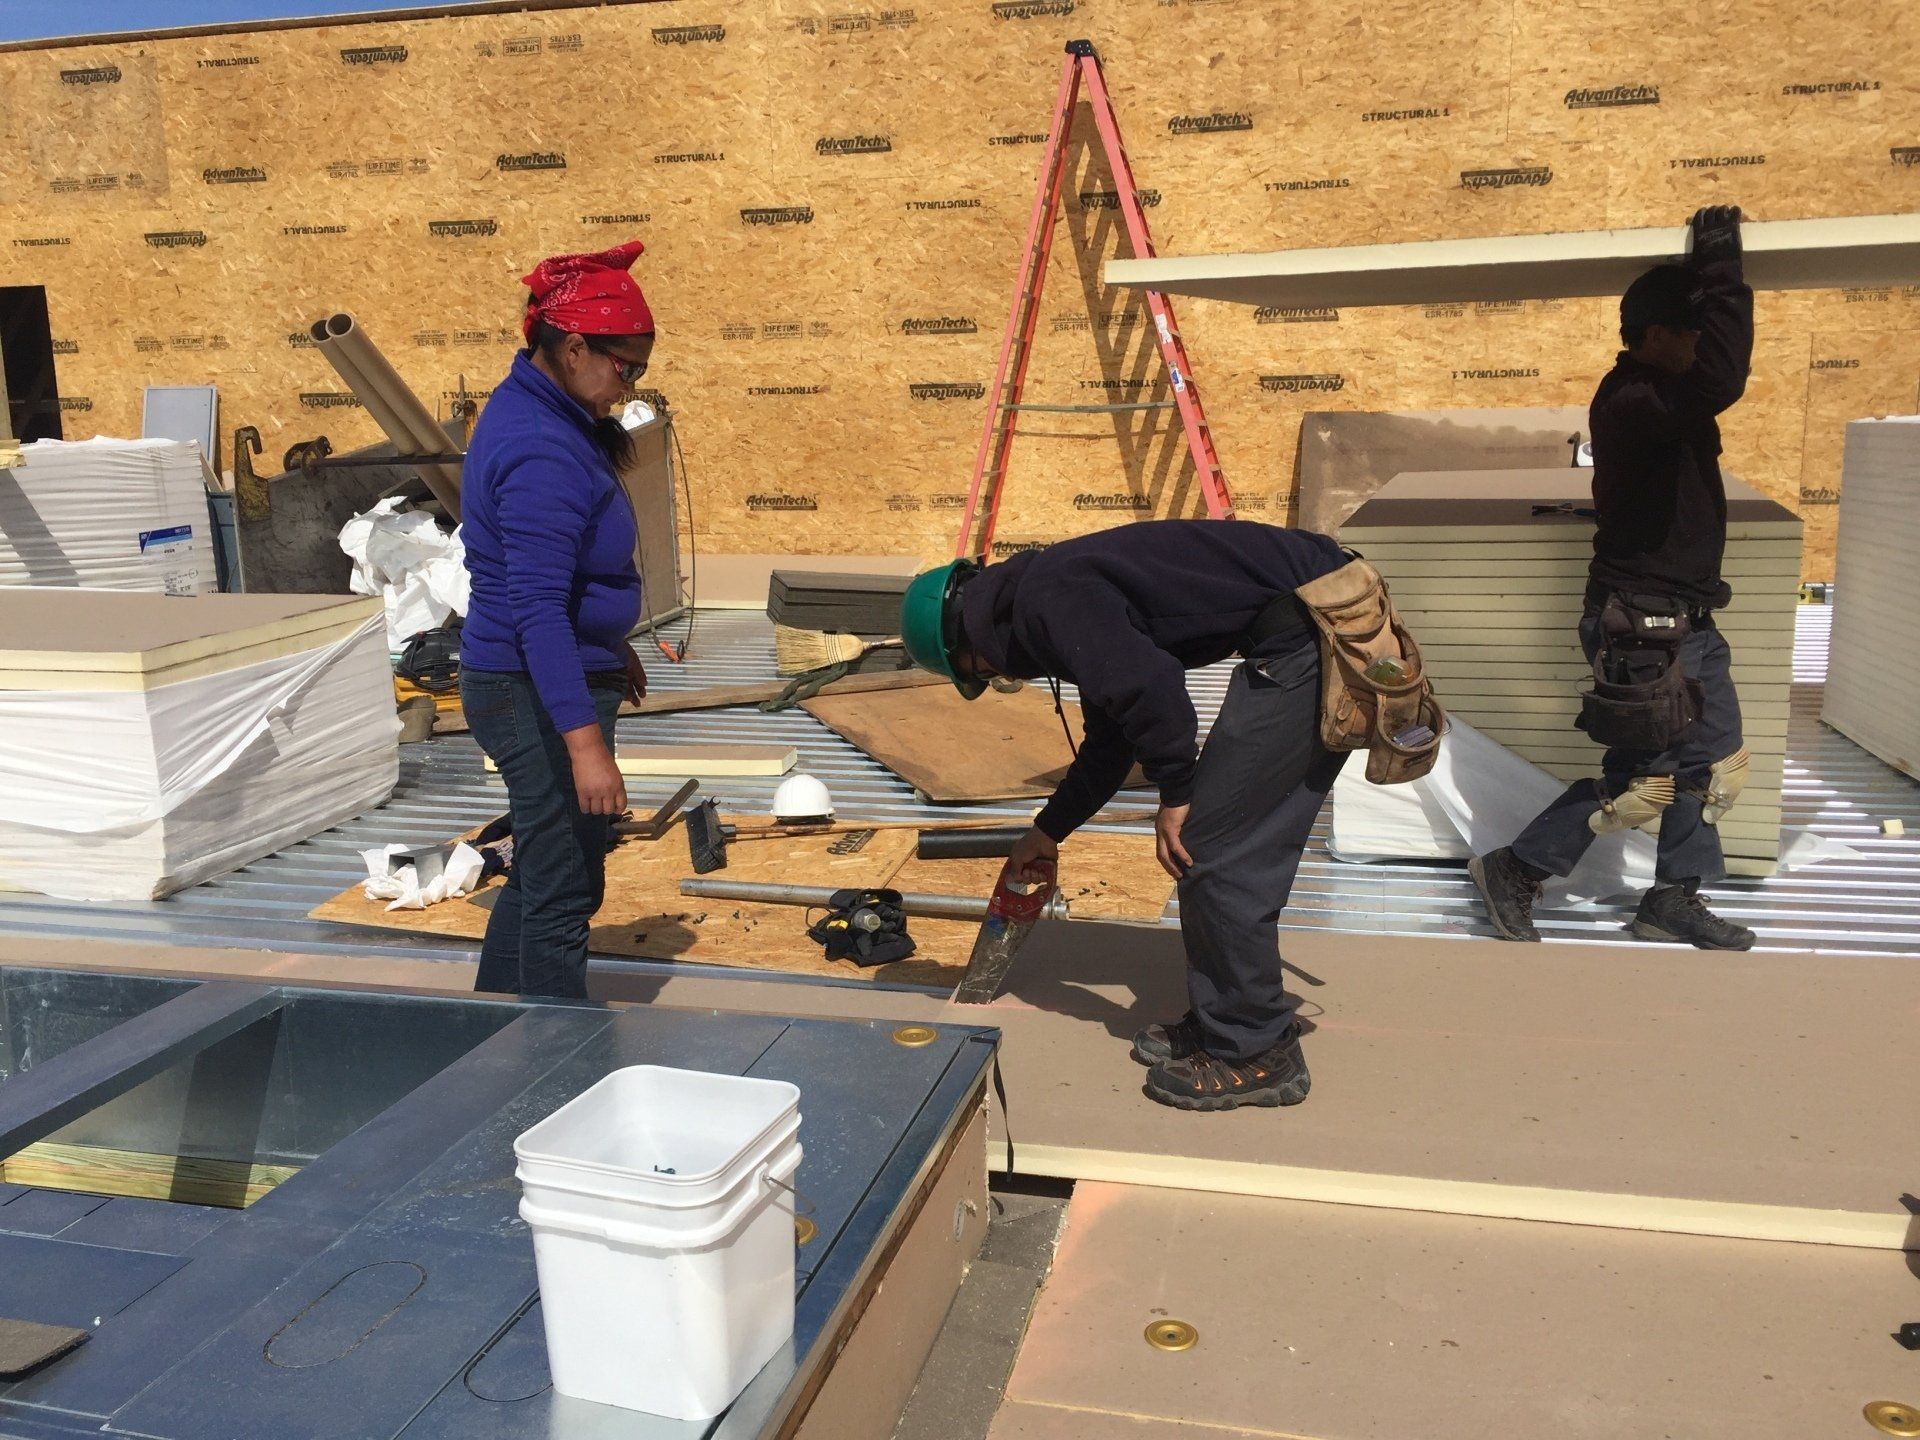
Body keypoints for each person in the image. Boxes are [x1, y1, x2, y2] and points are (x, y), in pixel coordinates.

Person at [900, 520, 1354, 1112]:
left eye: (979, 669)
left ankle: (1254, 1048)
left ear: (973, 636)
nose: (1000, 676)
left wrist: (1176, 795)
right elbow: (1112, 741)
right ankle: (1227, 1017)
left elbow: (1152, 687)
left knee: (1212, 849)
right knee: (1209, 844)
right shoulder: (1049, 595)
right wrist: (1047, 831)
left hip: (1316, 633)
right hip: (1303, 625)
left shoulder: (1051, 602)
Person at [1471, 205, 1756, 951]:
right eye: (1688, 331)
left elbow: (1710, 378)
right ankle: (1515, 868)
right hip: (1643, 622)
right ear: (1654, 336)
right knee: (1642, 781)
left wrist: (1699, 280)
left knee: (1712, 766)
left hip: (1689, 619)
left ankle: (1672, 898)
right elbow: (1725, 377)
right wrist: (1722, 270)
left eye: (1699, 330)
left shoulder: (1667, 393)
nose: (1699, 344)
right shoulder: (1636, 399)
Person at [459, 241, 657, 999]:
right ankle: (548, 1062)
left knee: (546, 868)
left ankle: (492, 1028)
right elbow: (536, 610)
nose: (629, 384)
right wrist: (585, 750)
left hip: (548, 674)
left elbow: (562, 588)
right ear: (574, 347)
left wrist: (608, 646)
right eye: (625, 366)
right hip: (529, 690)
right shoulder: (540, 447)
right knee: (566, 885)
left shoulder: (546, 410)